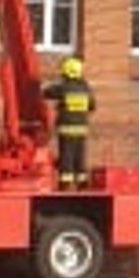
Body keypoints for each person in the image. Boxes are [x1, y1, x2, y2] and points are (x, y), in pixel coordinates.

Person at [42, 57, 95, 190]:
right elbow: (92, 106)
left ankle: (65, 183)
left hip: (66, 129)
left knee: (67, 156)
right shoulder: (86, 89)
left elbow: (47, 93)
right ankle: (82, 182)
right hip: (82, 129)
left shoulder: (63, 88)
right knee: (80, 155)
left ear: (66, 72)